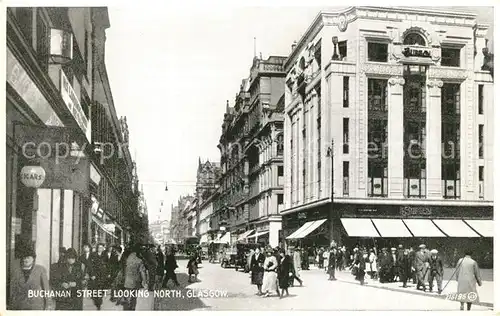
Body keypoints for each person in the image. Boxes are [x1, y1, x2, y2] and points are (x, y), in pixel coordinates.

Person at [9, 242, 52, 310]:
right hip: (20, 306)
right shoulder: (16, 271)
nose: (26, 260)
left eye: (28, 257)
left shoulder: (40, 270)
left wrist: (48, 305)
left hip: (36, 307)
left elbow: (46, 289)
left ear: (33, 258)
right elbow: (12, 290)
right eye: (24, 257)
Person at [122, 243, 148, 311]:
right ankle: (132, 309)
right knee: (134, 297)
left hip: (126, 281)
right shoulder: (139, 261)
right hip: (135, 282)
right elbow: (142, 272)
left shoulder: (127, 258)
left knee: (127, 296)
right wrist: (144, 282)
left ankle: (127, 308)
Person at [89, 243, 107, 310]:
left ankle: (99, 301)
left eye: (101, 248)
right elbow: (91, 266)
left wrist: (107, 273)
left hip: (102, 275)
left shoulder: (105, 255)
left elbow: (107, 264)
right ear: (97, 248)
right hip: (95, 275)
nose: (100, 249)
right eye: (99, 247)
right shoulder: (93, 255)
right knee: (96, 289)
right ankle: (98, 303)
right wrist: (92, 274)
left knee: (101, 289)